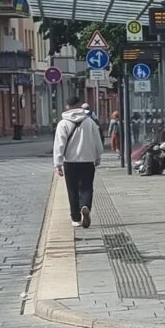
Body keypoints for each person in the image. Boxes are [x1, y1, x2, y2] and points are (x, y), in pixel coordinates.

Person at [52, 95, 101, 229]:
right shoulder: (89, 122)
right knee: (86, 187)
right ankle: (85, 205)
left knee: (72, 190)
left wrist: (58, 163)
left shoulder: (63, 123)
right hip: (87, 160)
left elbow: (59, 145)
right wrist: (98, 157)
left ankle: (75, 218)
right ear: (79, 105)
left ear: (67, 106)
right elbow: (97, 141)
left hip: (70, 162)